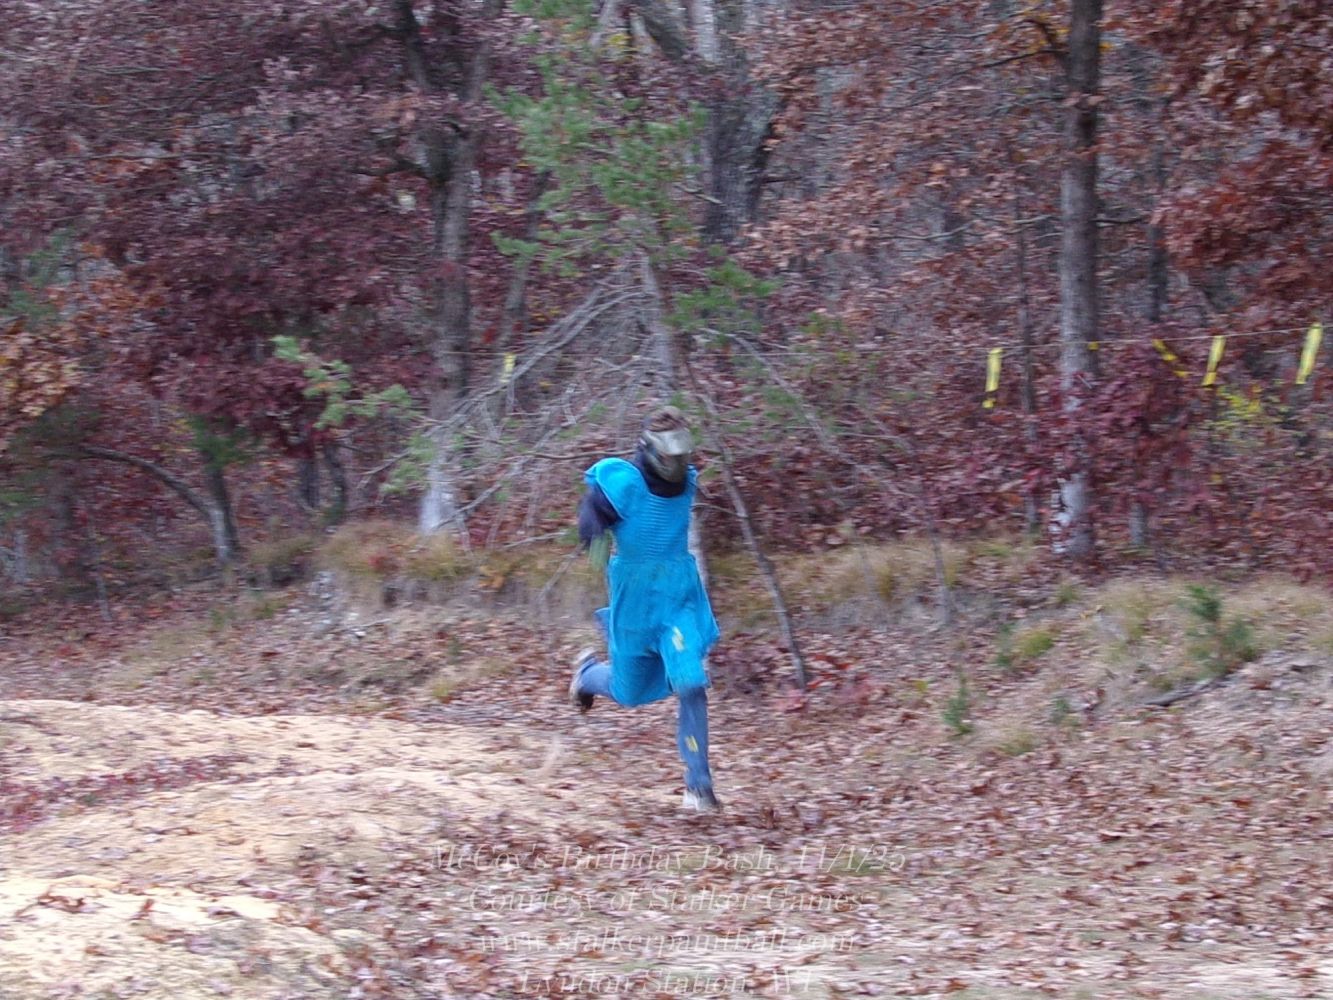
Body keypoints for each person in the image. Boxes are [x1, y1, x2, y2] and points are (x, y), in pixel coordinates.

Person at [569, 405, 722, 812]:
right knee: (629, 691)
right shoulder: (625, 484)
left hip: (678, 599)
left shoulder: (687, 482)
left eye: (682, 455)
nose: (677, 464)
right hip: (635, 603)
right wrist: (593, 533)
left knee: (690, 681)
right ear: (651, 451)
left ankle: (699, 786)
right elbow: (593, 510)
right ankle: (587, 676)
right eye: (669, 456)